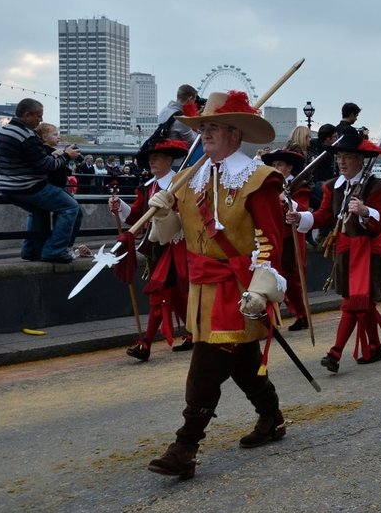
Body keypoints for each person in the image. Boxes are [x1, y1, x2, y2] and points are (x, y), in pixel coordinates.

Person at [145, 90, 288, 480]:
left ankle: (185, 446)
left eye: (213, 127)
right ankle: (272, 418)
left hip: (235, 289)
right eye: (202, 127)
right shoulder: (191, 179)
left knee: (205, 368)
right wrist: (161, 212)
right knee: (241, 363)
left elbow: (270, 240)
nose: (205, 133)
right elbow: (172, 235)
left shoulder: (259, 180)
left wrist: (260, 289)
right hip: (201, 289)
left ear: (235, 133)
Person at [290, 127, 381, 372]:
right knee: (361, 302)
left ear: (359, 159)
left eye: (347, 157)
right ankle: (375, 346)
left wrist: (366, 211)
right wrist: (300, 218)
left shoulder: (377, 187)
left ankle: (335, 352)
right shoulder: (333, 187)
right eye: (339, 157)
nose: (341, 162)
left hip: (367, 249)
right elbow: (324, 215)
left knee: (352, 302)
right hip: (345, 249)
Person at [110, 138, 193, 361]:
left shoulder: (181, 182)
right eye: (150, 158)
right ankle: (192, 333)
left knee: (164, 292)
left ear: (168, 159)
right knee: (173, 294)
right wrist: (120, 207)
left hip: (179, 245)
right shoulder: (148, 187)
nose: (152, 161)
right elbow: (137, 216)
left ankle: (146, 342)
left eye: (156, 157)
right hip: (156, 247)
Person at [0, 99, 83, 263]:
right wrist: (66, 156)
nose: (40, 120)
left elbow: (28, 160)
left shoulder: (4, 131)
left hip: (6, 185)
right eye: (38, 116)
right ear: (27, 115)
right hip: (28, 186)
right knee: (70, 207)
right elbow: (45, 166)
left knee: (38, 210)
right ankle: (54, 250)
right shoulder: (27, 136)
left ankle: (31, 249)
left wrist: (54, 155)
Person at [261, 147, 311, 332]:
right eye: (273, 164)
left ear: (289, 167)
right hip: (272, 235)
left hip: (291, 236)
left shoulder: (299, 186)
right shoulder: (269, 185)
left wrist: (284, 198)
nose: (276, 167)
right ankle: (270, 318)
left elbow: (303, 208)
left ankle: (301, 314)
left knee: (292, 279)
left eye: (280, 164)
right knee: (269, 277)